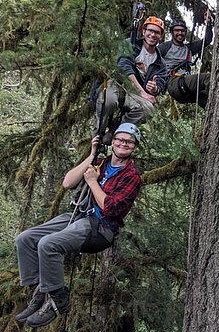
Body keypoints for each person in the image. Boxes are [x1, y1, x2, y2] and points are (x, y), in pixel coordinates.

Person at [14, 123, 142, 328]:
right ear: (113, 141)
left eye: (129, 142)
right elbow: (68, 182)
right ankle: (38, 292)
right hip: (79, 215)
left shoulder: (132, 176)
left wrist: (92, 182)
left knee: (48, 244)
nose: (123, 144)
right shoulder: (100, 162)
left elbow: (111, 208)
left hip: (101, 227)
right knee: (25, 239)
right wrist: (92, 155)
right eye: (119, 139)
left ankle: (57, 300)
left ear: (134, 147)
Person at [95, 16, 167, 140]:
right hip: (119, 83)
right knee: (108, 101)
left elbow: (161, 84)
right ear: (143, 31)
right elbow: (123, 66)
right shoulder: (129, 43)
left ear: (161, 36)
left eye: (157, 32)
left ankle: (117, 131)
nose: (152, 34)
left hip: (135, 92)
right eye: (150, 30)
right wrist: (142, 92)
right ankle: (98, 134)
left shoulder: (160, 62)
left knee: (147, 109)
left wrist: (155, 89)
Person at [158, 14, 213, 108]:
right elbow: (151, 56)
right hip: (174, 83)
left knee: (210, 104)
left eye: (182, 30)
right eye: (177, 30)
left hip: (185, 89)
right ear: (171, 32)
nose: (180, 33)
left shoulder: (189, 48)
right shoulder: (165, 47)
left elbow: (207, 40)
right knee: (207, 78)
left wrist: (208, 24)